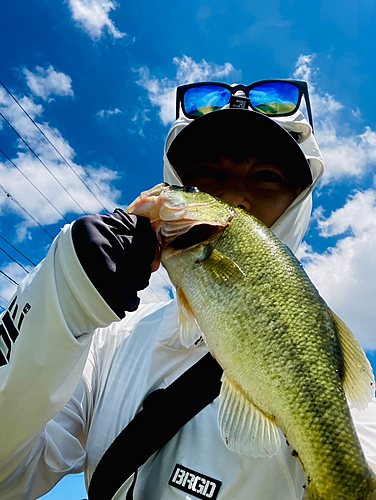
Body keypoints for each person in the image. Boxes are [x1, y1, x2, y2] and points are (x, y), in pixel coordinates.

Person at [0, 80, 376, 500]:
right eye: (205, 176)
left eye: (267, 177)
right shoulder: (107, 343)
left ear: (299, 200)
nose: (233, 196)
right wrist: (62, 296)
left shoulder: (333, 384)